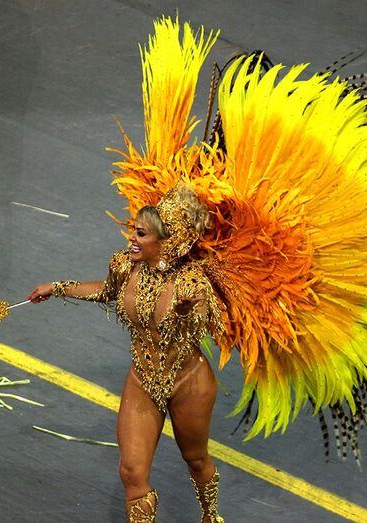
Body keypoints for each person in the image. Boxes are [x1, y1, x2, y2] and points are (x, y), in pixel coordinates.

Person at [27, 185, 225, 523]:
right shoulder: (124, 265)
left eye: (141, 233)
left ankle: (210, 516)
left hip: (188, 384)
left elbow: (198, 322)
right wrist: (57, 287)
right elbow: (106, 291)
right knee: (132, 473)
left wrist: (182, 312)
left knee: (195, 458)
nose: (131, 236)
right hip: (142, 379)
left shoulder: (193, 283)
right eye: (133, 229)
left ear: (167, 243)